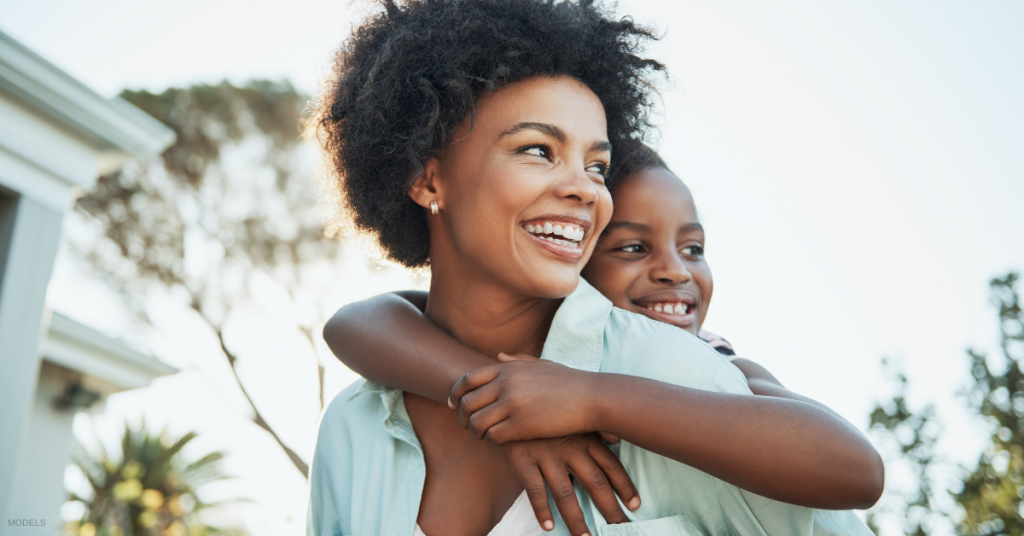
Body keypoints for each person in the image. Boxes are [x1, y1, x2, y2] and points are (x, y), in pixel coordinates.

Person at [307, 1, 880, 535]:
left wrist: (591, 401)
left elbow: (853, 475)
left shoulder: (673, 373)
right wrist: (495, 409)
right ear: (427, 179)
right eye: (537, 149)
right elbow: (355, 322)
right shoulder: (352, 431)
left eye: (598, 165)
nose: (584, 188)